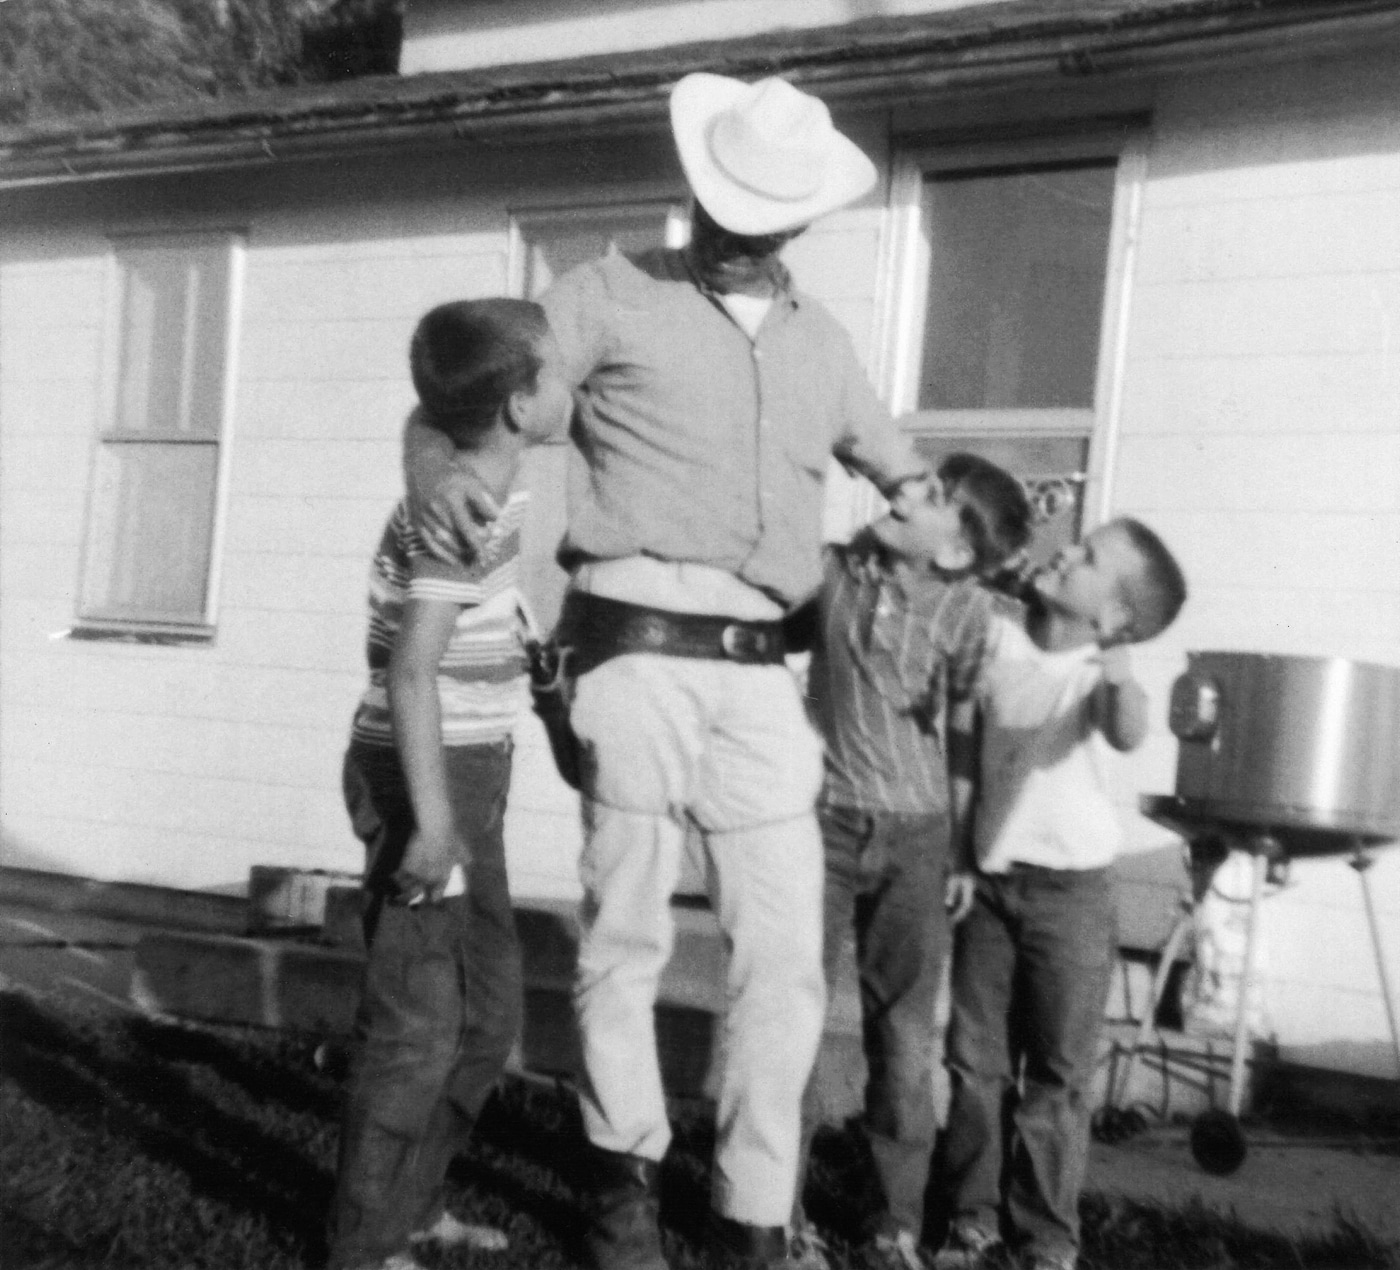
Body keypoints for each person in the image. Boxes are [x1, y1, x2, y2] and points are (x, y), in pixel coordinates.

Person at [403, 73, 931, 1270]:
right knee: (625, 941)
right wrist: (438, 474)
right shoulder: (603, 294)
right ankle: (618, 1193)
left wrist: (954, 520)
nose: (750, 225)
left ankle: (753, 1215)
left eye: (769, 207)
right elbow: (461, 394)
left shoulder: (824, 341)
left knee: (785, 955)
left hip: (761, 680)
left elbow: (908, 476)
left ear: (799, 217)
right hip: (631, 651)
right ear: (699, 189)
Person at [327, 299, 571, 1270]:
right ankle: (361, 1247)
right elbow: (410, 669)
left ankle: (412, 1208)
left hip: (472, 769)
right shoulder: (454, 516)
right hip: (423, 778)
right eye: (554, 370)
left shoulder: (492, 478)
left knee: (487, 1018)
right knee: (418, 1028)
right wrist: (432, 822)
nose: (569, 381)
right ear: (519, 403)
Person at [790, 454, 1032, 1270]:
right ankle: (775, 1209)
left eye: (933, 497)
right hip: (817, 823)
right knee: (792, 1014)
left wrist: (965, 844)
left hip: (920, 837)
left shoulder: (970, 615)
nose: (907, 491)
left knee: (902, 1034)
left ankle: (892, 1219)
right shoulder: (831, 570)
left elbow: (966, 730)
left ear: (958, 552)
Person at [932, 518, 1188, 1270]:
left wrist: (1116, 664)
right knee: (974, 1064)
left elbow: (1127, 729)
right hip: (989, 886)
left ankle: (1046, 1235)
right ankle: (971, 1220)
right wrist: (958, 851)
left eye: (1088, 558)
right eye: (1077, 542)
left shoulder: (1098, 675)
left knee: (1058, 1076)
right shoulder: (1000, 640)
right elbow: (966, 753)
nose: (1066, 550)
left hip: (1073, 899)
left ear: (1112, 618)